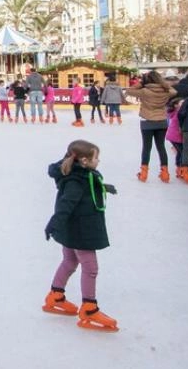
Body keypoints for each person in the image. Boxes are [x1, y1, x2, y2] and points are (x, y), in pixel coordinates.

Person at [42, 140, 119, 332]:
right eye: (96, 158)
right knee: (90, 268)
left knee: (69, 261)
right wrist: (54, 223)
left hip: (72, 228)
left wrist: (103, 187)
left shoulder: (81, 175)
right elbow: (66, 204)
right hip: (81, 229)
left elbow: (86, 189)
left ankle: (55, 296)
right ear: (84, 160)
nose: (98, 161)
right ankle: (89, 309)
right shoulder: (77, 181)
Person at [124, 71, 176, 183]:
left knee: (147, 147)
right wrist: (164, 84)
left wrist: (141, 83)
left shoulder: (144, 91)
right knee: (161, 147)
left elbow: (128, 91)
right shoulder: (165, 91)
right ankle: (165, 173)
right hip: (161, 121)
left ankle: (143, 173)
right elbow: (174, 91)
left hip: (147, 121)